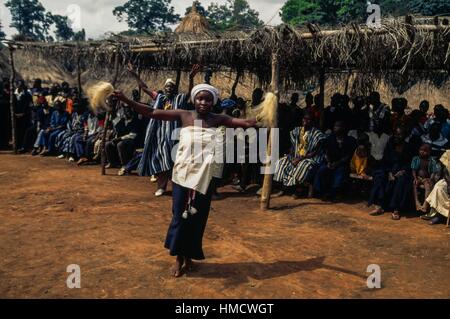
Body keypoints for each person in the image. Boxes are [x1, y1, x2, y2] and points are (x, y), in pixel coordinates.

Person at [113, 83, 257, 277]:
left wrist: (268, 114)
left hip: (205, 179)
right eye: (200, 98)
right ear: (194, 100)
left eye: (207, 99)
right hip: (183, 176)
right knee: (180, 217)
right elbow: (152, 112)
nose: (203, 102)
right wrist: (125, 100)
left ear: (213, 101)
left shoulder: (218, 119)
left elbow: (247, 123)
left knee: (197, 219)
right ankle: (178, 258)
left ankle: (189, 256)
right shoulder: (184, 115)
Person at [129, 63, 201, 197]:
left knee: (175, 163)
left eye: (172, 87)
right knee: (159, 160)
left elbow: (190, 93)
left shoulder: (179, 99)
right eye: (167, 86)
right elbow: (144, 88)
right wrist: (135, 75)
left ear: (175, 89)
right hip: (158, 136)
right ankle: (161, 187)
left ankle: (177, 189)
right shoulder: (159, 98)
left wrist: (191, 78)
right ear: (164, 88)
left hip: (174, 138)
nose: (169, 88)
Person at [274, 112, 325, 198]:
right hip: (297, 155)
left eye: (308, 119)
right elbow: (293, 146)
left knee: (302, 165)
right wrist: (291, 155)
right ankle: (283, 188)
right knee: (282, 161)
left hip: (310, 157)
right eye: (304, 118)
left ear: (312, 121)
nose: (305, 120)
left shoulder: (317, 134)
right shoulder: (297, 131)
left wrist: (299, 159)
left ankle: (298, 190)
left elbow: (314, 152)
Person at [369, 127, 415, 220]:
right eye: (396, 134)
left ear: (405, 136)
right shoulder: (390, 146)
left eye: (400, 134)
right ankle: (380, 205)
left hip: (404, 171)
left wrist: (402, 171)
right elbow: (385, 161)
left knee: (402, 181)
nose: (397, 136)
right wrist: (389, 172)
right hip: (390, 169)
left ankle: (396, 208)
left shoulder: (409, 147)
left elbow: (411, 163)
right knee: (380, 176)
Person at [314, 120, 356, 200]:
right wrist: (329, 162)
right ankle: (324, 192)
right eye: (335, 126)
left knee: (340, 172)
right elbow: (325, 152)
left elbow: (348, 156)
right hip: (330, 162)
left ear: (343, 128)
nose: (335, 128)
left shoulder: (349, 140)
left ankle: (335, 192)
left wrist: (337, 163)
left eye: (338, 126)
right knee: (322, 170)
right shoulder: (330, 138)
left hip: (342, 163)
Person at [421, 150, 450, 225]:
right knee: (439, 187)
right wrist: (449, 183)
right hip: (449, 181)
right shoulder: (448, 153)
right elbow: (446, 171)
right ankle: (440, 215)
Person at [412, 144, 440, 212]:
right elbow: (414, 170)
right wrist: (415, 178)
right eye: (421, 150)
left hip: (427, 178)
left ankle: (425, 203)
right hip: (418, 177)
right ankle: (417, 202)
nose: (422, 152)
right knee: (414, 184)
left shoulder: (432, 160)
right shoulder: (416, 159)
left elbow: (433, 171)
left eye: (424, 151)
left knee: (428, 186)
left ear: (429, 152)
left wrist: (430, 179)